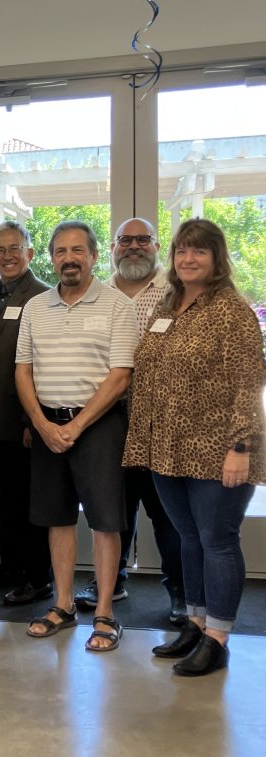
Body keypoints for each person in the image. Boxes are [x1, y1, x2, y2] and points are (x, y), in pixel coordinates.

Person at [124, 218, 265, 676]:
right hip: (167, 446)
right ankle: (196, 624)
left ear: (216, 257)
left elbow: (249, 383)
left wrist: (242, 446)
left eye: (199, 251)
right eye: (182, 250)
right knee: (188, 538)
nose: (188, 259)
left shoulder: (231, 310)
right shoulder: (168, 304)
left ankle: (217, 640)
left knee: (217, 541)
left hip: (217, 449)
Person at [15, 220, 139, 652]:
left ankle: (104, 613)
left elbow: (120, 375)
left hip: (99, 426)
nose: (69, 258)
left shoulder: (117, 305)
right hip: (47, 427)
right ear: (51, 258)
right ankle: (63, 605)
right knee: (58, 519)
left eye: (77, 250)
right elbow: (22, 372)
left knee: (105, 521)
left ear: (94, 255)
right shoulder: (35, 308)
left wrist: (75, 425)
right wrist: (42, 424)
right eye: (61, 251)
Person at [76, 218, 185, 624]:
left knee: (166, 512)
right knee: (112, 508)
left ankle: (180, 592)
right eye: (125, 240)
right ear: (112, 248)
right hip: (108, 418)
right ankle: (112, 581)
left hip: (161, 421)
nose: (133, 247)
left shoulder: (176, 293)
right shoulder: (97, 295)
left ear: (156, 246)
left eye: (143, 240)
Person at [0, 221, 52, 606]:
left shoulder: (42, 296)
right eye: (0, 250)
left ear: (30, 253)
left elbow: (43, 362)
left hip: (23, 420)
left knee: (29, 503)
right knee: (5, 498)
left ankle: (37, 577)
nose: (7, 256)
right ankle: (11, 567)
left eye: (14, 248)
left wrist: (30, 420)